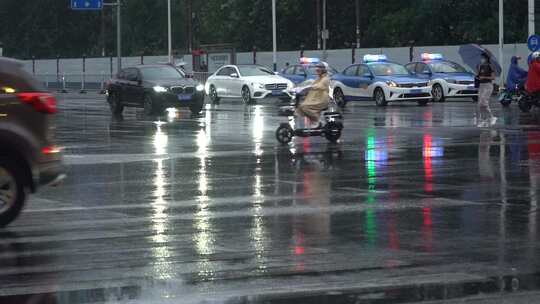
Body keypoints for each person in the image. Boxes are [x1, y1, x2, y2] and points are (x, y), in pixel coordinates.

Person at [295, 62, 330, 129]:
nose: (317, 69)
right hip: (315, 98)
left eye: (319, 68)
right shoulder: (318, 78)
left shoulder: (325, 79)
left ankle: (317, 121)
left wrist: (310, 87)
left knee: (304, 107)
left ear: (324, 70)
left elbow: (319, 86)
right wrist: (300, 88)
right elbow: (310, 84)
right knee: (300, 108)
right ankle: (313, 121)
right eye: (317, 68)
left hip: (322, 100)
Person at [476, 52, 497, 127]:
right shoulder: (480, 66)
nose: (481, 59)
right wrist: (477, 71)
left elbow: (493, 77)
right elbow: (478, 76)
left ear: (486, 58)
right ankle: (482, 120)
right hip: (481, 85)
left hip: (488, 86)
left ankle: (492, 117)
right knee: (479, 104)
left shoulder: (490, 66)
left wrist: (484, 77)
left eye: (483, 58)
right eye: (481, 58)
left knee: (483, 102)